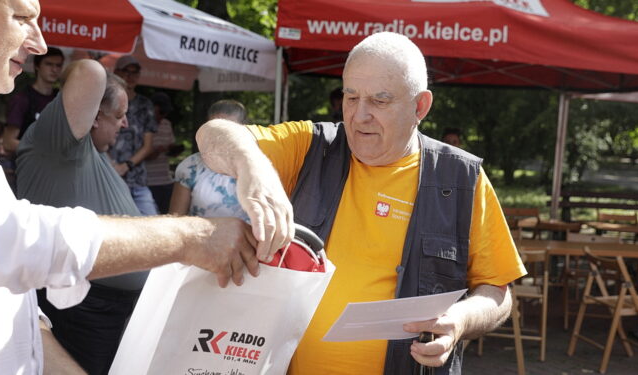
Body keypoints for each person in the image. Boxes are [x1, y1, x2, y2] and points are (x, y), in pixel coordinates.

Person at [0, 1, 285, 373]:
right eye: (21, 18)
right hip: (91, 309)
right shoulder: (58, 141)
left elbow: (9, 307)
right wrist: (189, 237)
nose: (40, 43)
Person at [196, 32, 525, 374]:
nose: (359, 115)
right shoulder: (311, 148)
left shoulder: (459, 179)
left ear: (420, 106)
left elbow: (497, 294)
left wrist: (458, 321)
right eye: (351, 97)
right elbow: (213, 135)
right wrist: (253, 167)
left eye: (380, 101)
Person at [16, 60, 143, 374]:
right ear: (95, 116)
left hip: (102, 307)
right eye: (119, 116)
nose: (125, 124)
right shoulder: (59, 141)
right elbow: (90, 72)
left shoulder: (89, 153)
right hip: (81, 306)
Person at [169, 100, 249, 219]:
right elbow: (175, 220)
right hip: (200, 236)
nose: (220, 134)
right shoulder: (191, 166)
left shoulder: (262, 165)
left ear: (244, 128)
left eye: (228, 128)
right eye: (214, 128)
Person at [110, 55, 159, 215]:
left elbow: (148, 145)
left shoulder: (145, 104)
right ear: (116, 72)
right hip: (109, 175)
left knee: (150, 222)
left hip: (137, 178)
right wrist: (112, 165)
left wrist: (126, 166)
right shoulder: (107, 100)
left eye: (135, 72)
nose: (130, 76)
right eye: (126, 71)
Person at [2, 46, 64, 153]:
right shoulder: (22, 99)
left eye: (58, 65)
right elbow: (8, 142)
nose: (54, 69)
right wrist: (45, 149)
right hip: (27, 165)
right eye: (49, 64)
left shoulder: (61, 98)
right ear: (37, 66)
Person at [146, 92, 177, 213]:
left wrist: (173, 150)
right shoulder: (143, 124)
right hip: (149, 181)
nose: (163, 115)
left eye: (166, 112)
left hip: (165, 179)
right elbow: (136, 155)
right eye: (161, 111)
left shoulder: (167, 124)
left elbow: (171, 146)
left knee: (166, 215)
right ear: (152, 108)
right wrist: (155, 151)